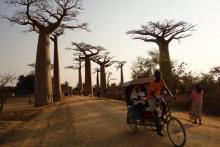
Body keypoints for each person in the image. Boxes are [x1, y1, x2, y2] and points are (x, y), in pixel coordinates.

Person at [147, 69, 172, 136]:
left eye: (160, 75)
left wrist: (172, 96)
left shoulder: (162, 80)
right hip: (151, 98)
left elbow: (166, 88)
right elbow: (152, 94)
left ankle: (162, 117)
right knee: (155, 112)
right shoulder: (152, 83)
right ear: (155, 76)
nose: (159, 76)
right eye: (158, 75)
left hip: (157, 96)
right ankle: (159, 130)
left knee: (165, 105)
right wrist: (157, 99)